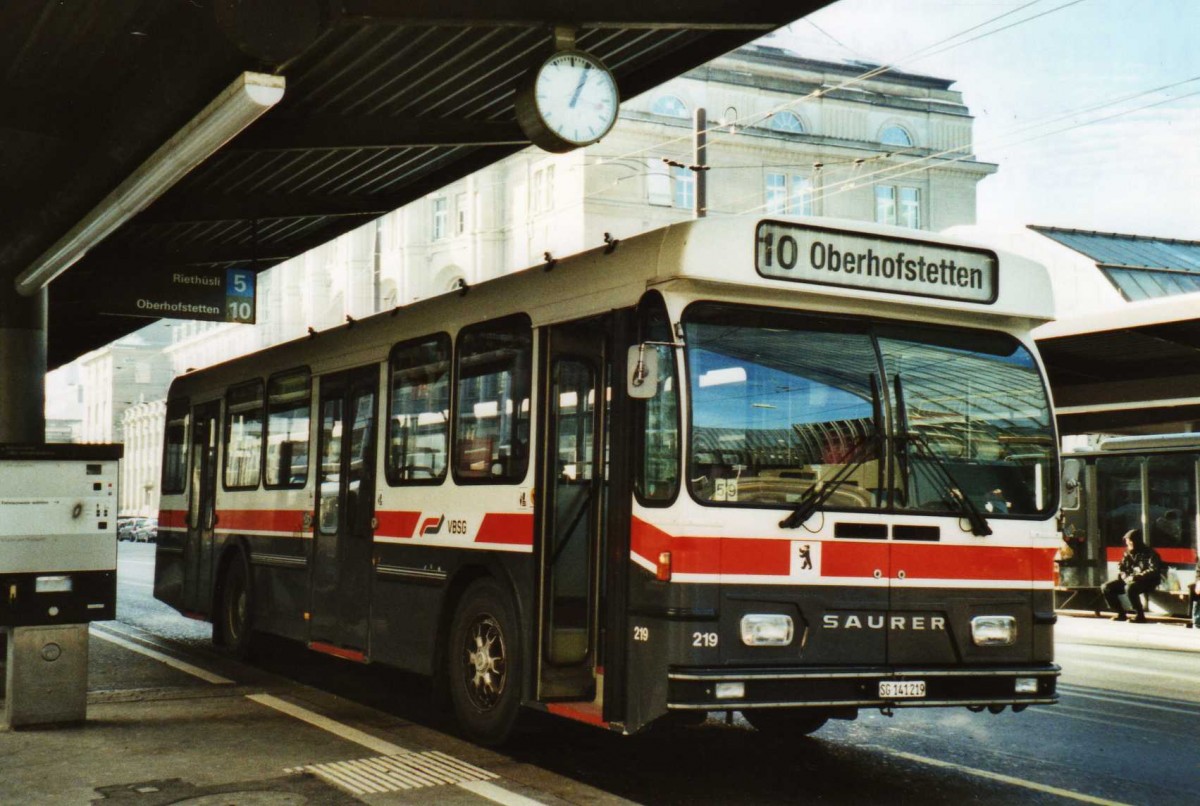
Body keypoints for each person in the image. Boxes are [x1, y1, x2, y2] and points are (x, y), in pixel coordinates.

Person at [1101, 529, 1166, 623]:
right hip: (1130, 579)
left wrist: (1138, 576)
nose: (1128, 544)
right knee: (1106, 587)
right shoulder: (1128, 553)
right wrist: (1123, 575)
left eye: (1130, 541)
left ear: (1136, 541)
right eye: (1127, 542)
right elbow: (1121, 566)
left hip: (1147, 581)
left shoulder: (1150, 553)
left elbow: (1154, 570)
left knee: (1130, 588)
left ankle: (1140, 615)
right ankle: (1120, 613)